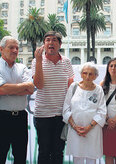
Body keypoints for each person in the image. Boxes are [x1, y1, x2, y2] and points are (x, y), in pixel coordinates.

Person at [32, 31, 74, 164]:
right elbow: (38, 84)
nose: (51, 43)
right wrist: (39, 60)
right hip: (42, 115)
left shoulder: (66, 62)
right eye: (48, 40)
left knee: (58, 151)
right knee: (44, 151)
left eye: (55, 40)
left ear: (60, 44)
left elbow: (71, 87)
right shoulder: (36, 61)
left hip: (61, 115)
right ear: (44, 44)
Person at [63, 62, 106, 164]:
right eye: (85, 73)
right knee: (77, 159)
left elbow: (102, 111)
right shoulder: (74, 87)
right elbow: (66, 108)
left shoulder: (98, 90)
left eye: (91, 74)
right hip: (75, 131)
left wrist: (88, 128)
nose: (87, 76)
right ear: (81, 74)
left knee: (92, 159)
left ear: (96, 76)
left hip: (93, 131)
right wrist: (75, 127)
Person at [0, 36, 34, 164]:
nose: (15, 50)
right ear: (1, 49)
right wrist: (22, 87)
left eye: (17, 48)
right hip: (2, 117)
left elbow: (30, 89)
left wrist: (8, 88)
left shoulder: (22, 67)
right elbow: (1, 90)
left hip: (20, 118)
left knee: (20, 156)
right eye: (11, 47)